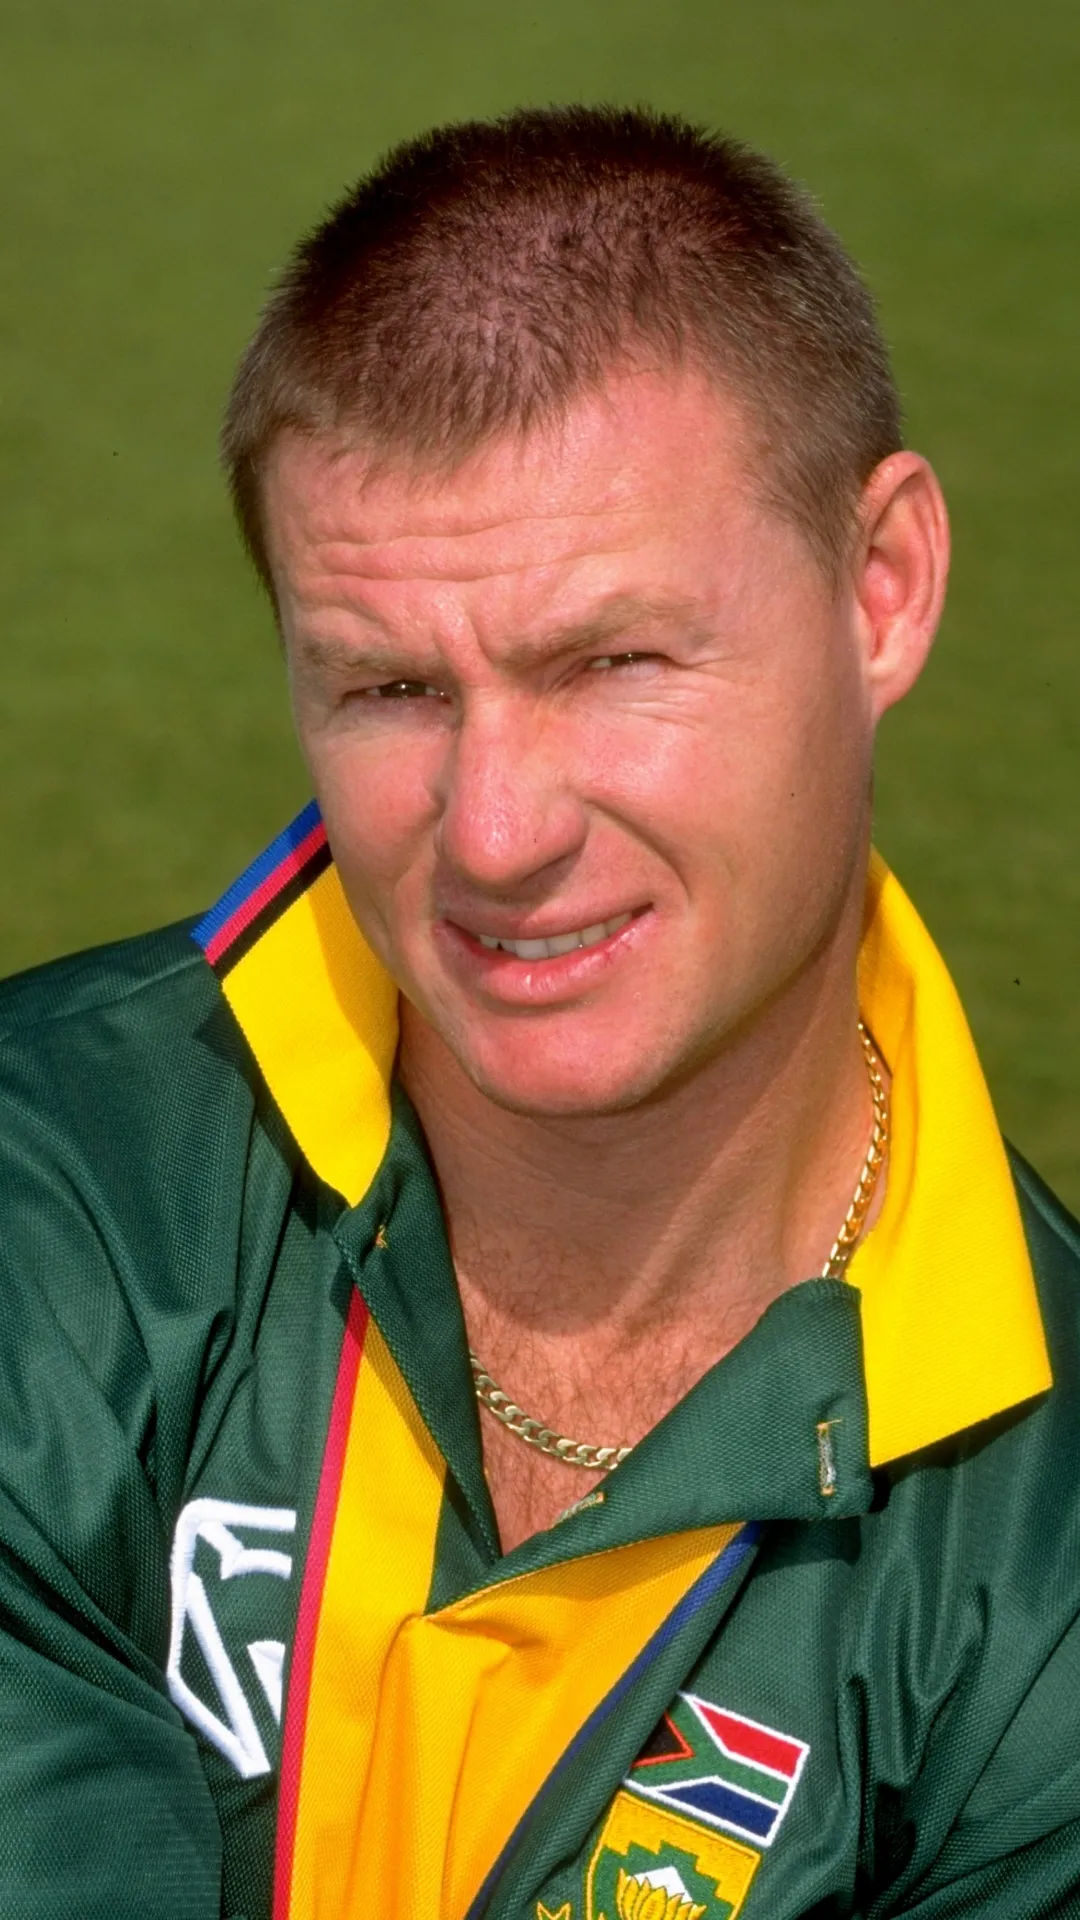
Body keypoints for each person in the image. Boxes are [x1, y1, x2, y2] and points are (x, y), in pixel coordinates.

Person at [1, 105, 1078, 1920]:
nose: (497, 834)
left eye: (612, 661)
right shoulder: (53, 1199)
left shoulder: (1042, 1567)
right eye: (390, 688)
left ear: (881, 589)